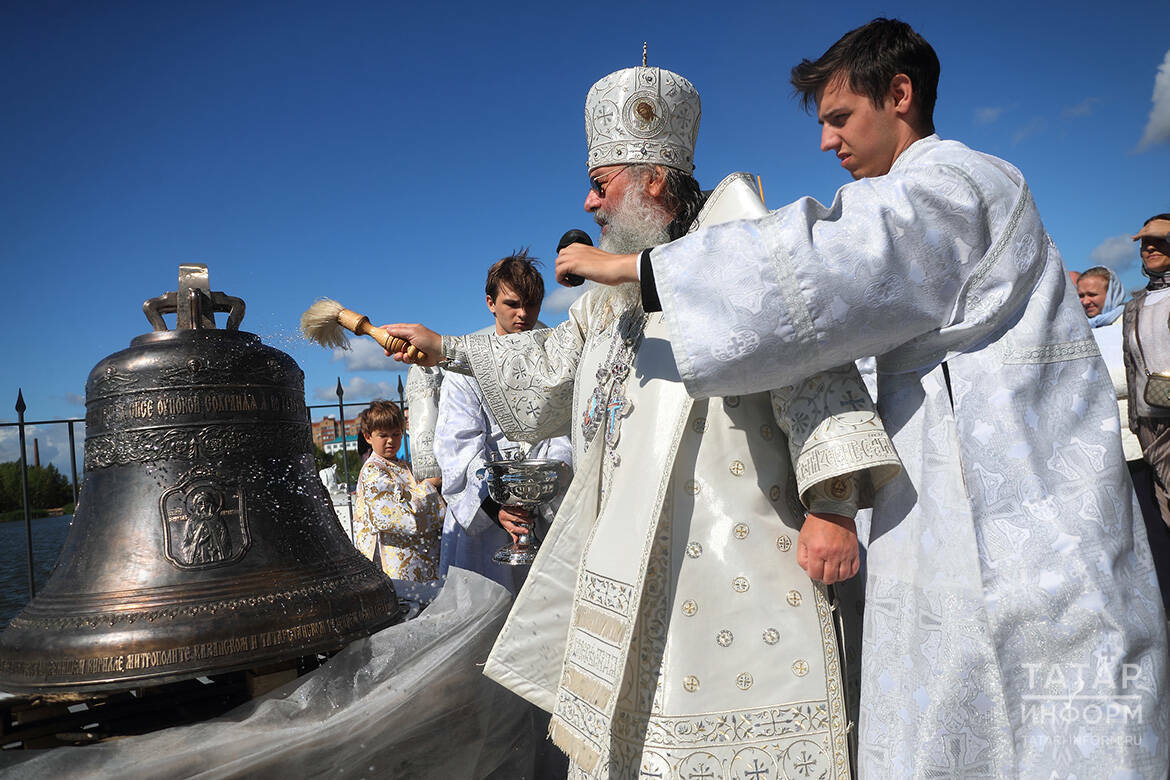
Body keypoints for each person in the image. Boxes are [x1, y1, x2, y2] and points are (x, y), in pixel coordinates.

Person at [551, 20, 1169, 777]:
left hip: (1020, 529)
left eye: (839, 118)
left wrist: (640, 271)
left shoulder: (956, 183)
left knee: (1043, 724)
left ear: (900, 95)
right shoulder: (928, 192)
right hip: (958, 513)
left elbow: (821, 271)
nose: (824, 144)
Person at [385, 64, 901, 777]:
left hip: (735, 570)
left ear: (652, 179)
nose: (589, 200)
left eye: (601, 181)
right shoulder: (606, 297)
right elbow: (543, 371)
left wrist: (834, 507)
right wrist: (443, 349)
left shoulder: (741, 256)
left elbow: (814, 371)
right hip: (628, 569)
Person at [432, 251, 572, 595]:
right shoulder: (466, 363)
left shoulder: (558, 356)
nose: (523, 314)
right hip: (485, 520)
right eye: (512, 304)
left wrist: (540, 491)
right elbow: (458, 443)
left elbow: (566, 430)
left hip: (545, 509)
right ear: (490, 303)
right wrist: (497, 507)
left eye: (533, 304)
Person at [1122, 214, 1170, 607]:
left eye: (1159, 240)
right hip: (1149, 427)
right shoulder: (1135, 303)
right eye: (1143, 242)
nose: (1149, 247)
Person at [352, 400, 444, 582]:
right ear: (368, 437)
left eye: (396, 434)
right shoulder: (373, 470)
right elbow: (392, 516)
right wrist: (429, 486)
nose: (390, 441)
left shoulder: (402, 465)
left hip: (417, 553)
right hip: (394, 557)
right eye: (383, 435)